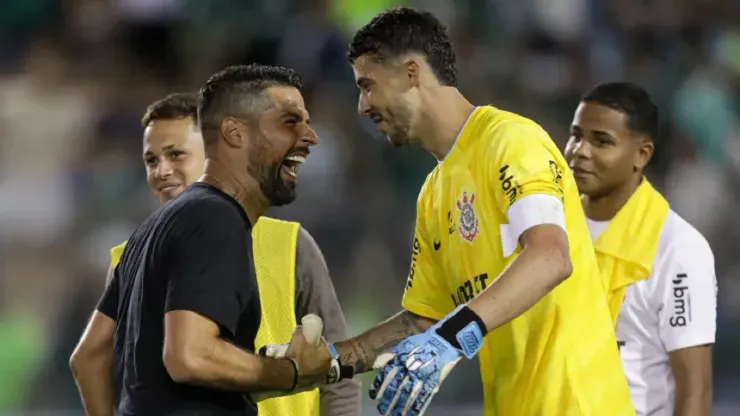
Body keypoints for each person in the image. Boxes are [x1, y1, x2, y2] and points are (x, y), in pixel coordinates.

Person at [264, 7, 634, 416]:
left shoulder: (510, 141)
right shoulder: (434, 193)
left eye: (367, 85)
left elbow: (550, 256)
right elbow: (424, 323)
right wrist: (331, 361)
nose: (361, 106)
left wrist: (454, 336)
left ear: (411, 73)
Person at [72, 91, 361, 416]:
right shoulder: (128, 257)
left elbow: (336, 365)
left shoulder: (291, 245)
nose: (161, 171)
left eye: (176, 155)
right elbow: (90, 359)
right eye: (151, 160)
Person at [564, 82, 717, 416]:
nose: (580, 151)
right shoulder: (550, 229)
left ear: (642, 155)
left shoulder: (678, 249)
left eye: (601, 141)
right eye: (576, 135)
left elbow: (695, 386)